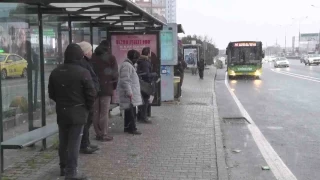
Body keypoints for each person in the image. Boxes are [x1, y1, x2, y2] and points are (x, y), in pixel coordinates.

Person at [48, 43, 96, 180]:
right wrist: (87, 107)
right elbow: (91, 93)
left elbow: (51, 93)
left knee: (63, 141)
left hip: (62, 111)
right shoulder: (83, 72)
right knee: (74, 142)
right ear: (79, 56)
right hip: (78, 111)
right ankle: (71, 173)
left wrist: (63, 102)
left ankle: (63, 167)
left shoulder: (56, 71)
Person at [91, 40, 119, 141]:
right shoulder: (111, 58)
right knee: (104, 112)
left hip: (94, 88)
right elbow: (115, 74)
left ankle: (98, 133)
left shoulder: (93, 57)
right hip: (106, 88)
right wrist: (113, 86)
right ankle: (104, 134)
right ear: (108, 47)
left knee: (96, 112)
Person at [77, 41, 100, 154]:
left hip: (88, 97)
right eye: (90, 50)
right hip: (85, 98)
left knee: (88, 121)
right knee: (86, 122)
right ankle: (84, 144)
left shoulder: (86, 62)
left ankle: (86, 142)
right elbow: (88, 81)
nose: (92, 52)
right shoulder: (83, 64)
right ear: (85, 52)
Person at [118, 50, 142, 135]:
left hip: (130, 91)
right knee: (131, 111)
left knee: (129, 111)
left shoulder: (128, 65)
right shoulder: (127, 66)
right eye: (136, 58)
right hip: (129, 93)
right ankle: (132, 128)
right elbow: (125, 80)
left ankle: (128, 128)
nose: (137, 60)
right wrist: (129, 92)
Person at [137, 47, 157, 123]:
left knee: (142, 100)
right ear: (148, 53)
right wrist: (154, 74)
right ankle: (143, 117)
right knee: (145, 101)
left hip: (141, 82)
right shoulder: (145, 62)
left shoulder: (141, 61)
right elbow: (146, 74)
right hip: (145, 83)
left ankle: (140, 116)